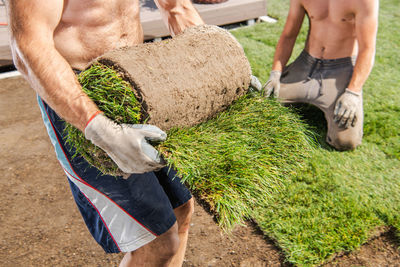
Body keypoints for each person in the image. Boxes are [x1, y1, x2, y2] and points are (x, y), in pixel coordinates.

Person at [5, 0, 205, 266]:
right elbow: (29, 47)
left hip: (138, 82)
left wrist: (218, 62)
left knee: (181, 209)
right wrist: (100, 129)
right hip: (79, 93)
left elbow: (177, 7)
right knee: (157, 241)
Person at [263, 0, 379, 150]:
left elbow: (367, 49)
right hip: (306, 64)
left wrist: (352, 92)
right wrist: (275, 73)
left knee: (344, 142)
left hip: (340, 70)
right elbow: (289, 35)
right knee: (265, 103)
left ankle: (343, 98)